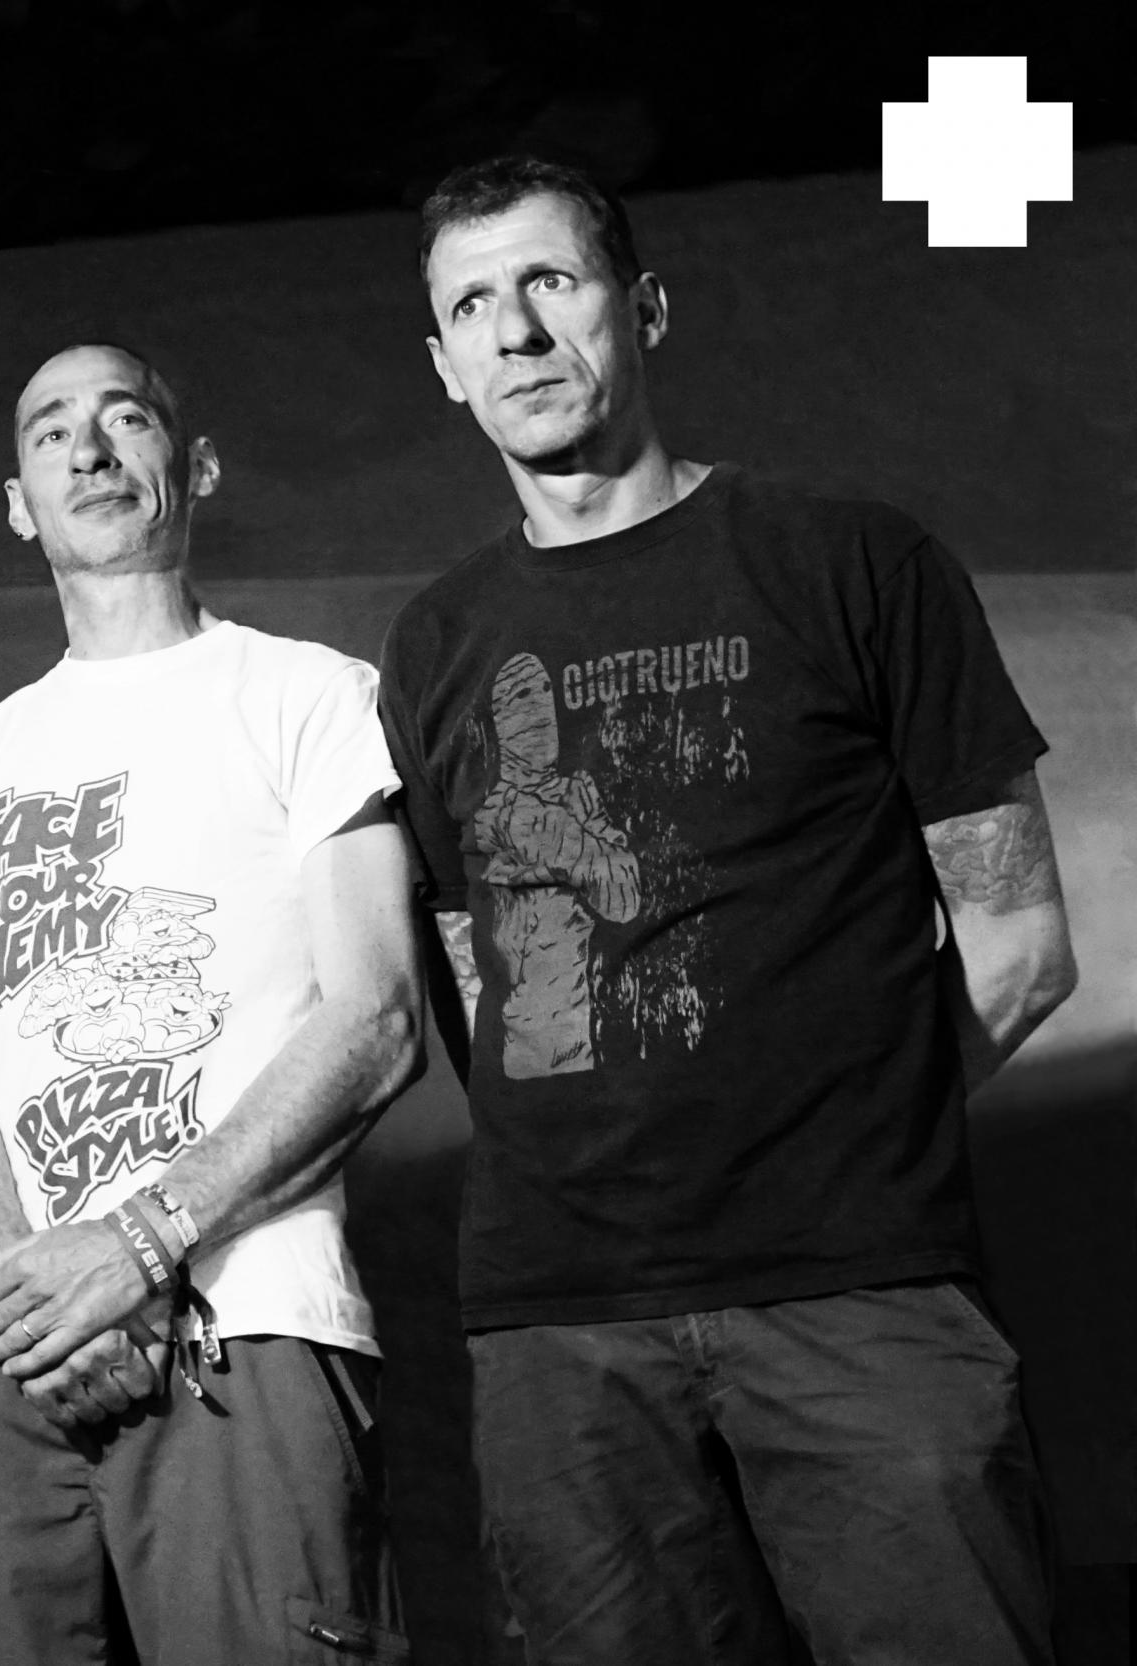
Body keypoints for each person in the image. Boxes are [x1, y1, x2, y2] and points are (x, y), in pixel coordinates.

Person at [379, 155, 1079, 1664]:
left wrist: (850, 1144)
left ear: (644, 308)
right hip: (561, 1325)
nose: (517, 331)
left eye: (550, 282)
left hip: (857, 1293)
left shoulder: (851, 562)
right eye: (473, 305)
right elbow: (473, 978)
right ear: (443, 365)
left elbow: (1020, 945)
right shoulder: (435, 643)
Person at [0, 342, 424, 1663]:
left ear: (195, 467)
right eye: (51, 432)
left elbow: (377, 1020)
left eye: (124, 418)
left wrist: (135, 1249)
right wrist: (32, 1302)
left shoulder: (311, 696)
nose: (88, 450)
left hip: (245, 1321)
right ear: (18, 503)